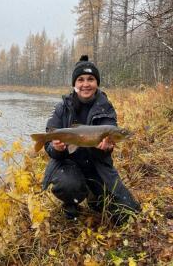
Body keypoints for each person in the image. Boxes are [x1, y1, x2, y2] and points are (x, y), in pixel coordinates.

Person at [42, 55, 140, 224]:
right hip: (68, 165)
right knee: (68, 184)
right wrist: (55, 148)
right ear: (74, 84)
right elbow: (48, 146)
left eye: (90, 79)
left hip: (96, 165)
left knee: (128, 213)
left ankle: (94, 197)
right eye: (80, 79)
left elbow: (106, 151)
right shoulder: (61, 108)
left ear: (97, 83)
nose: (85, 84)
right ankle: (70, 202)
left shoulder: (105, 106)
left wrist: (107, 148)